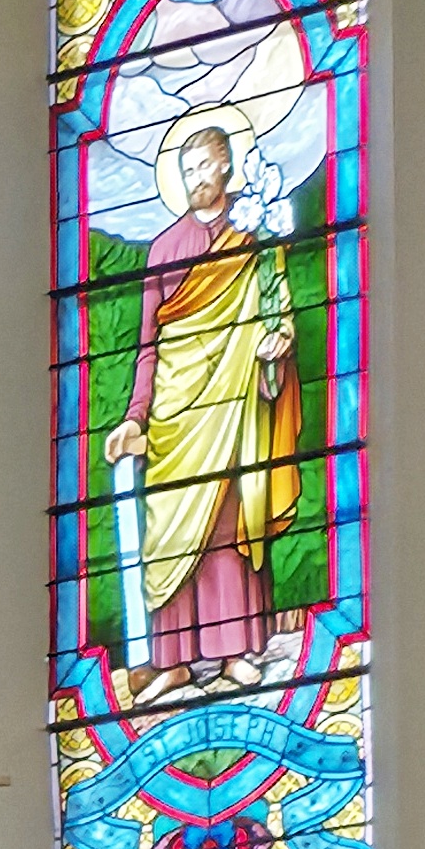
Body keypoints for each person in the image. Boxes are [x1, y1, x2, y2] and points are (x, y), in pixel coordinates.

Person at [99, 112, 302, 703]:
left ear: (228, 167)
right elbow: (149, 344)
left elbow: (277, 309)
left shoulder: (253, 233)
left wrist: (277, 344)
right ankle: (175, 661)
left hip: (233, 401)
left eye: (204, 167)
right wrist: (136, 415)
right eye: (186, 170)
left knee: (228, 523)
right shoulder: (165, 248)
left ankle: (237, 650)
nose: (195, 178)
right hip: (175, 413)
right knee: (170, 532)